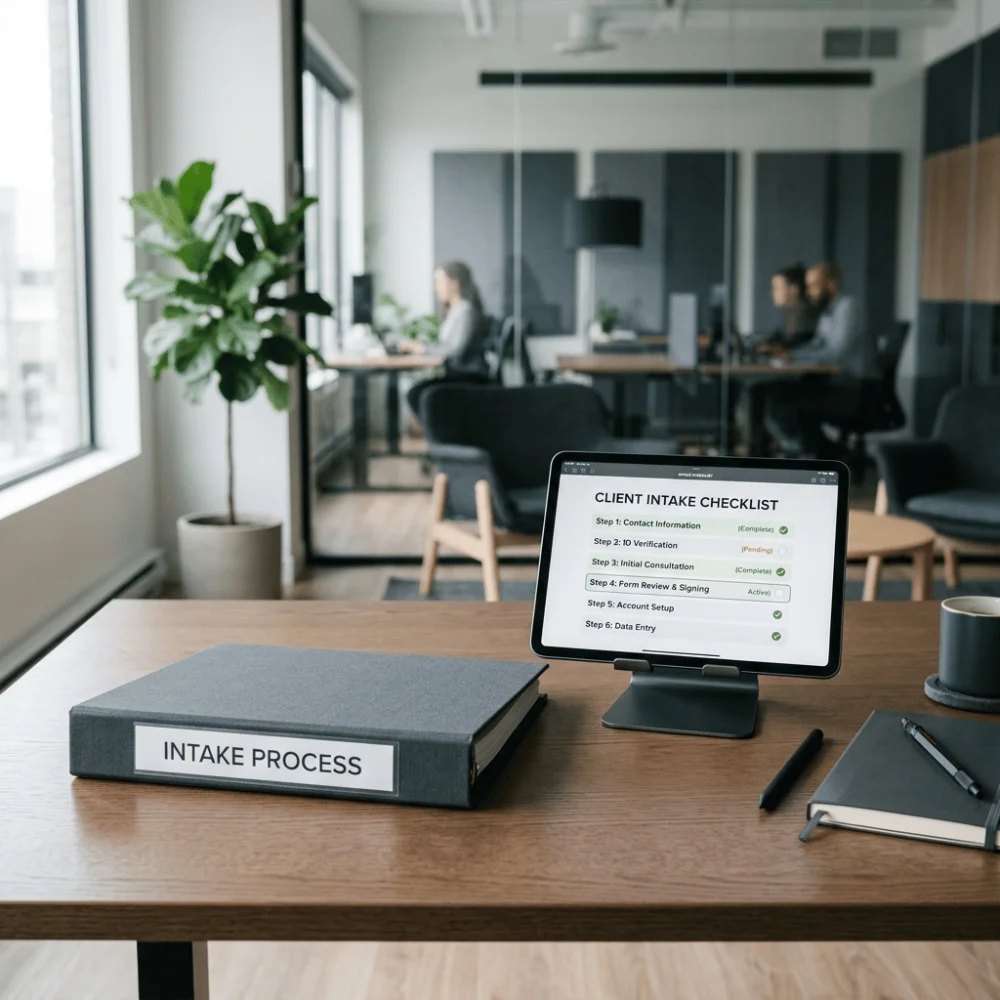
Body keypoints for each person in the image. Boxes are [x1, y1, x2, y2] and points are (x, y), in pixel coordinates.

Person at [763, 261, 877, 458]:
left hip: (853, 388)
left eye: (814, 286)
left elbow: (835, 354)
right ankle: (823, 451)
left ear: (831, 285)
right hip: (834, 383)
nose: (809, 292)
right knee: (778, 398)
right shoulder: (828, 310)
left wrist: (793, 357)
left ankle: (827, 453)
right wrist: (791, 355)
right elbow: (817, 345)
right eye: (807, 286)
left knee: (787, 404)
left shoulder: (848, 307)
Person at [401, 261, 491, 417]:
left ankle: (441, 433)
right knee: (417, 394)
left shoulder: (465, 311)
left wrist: (421, 348)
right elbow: (446, 346)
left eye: (439, 281)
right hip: (459, 374)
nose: (436, 288)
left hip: (468, 376)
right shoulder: (456, 310)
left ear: (454, 283)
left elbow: (454, 351)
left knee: (416, 394)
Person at [769, 263, 818, 348]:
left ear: (794, 290)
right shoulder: (791, 312)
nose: (772, 293)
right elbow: (777, 337)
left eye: (777, 288)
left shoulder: (804, 314)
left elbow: (795, 344)